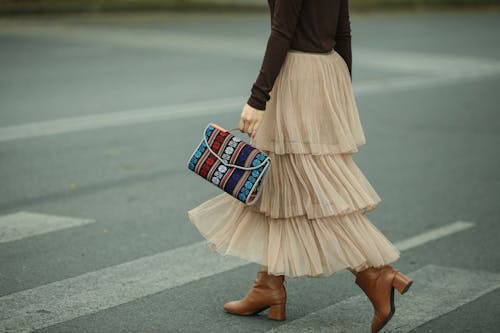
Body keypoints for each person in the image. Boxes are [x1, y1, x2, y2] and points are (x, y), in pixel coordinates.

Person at [187, 0, 413, 332]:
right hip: (325, 74)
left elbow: (282, 30)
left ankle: (374, 275)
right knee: (282, 183)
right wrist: (339, 93)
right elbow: (342, 31)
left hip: (296, 77)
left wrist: (257, 97)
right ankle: (268, 285)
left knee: (308, 188)